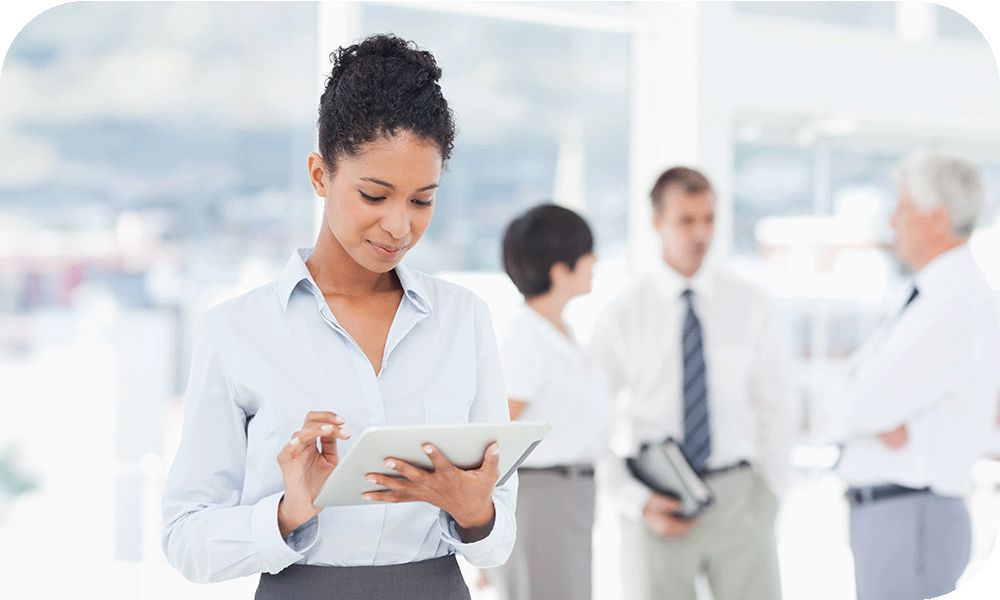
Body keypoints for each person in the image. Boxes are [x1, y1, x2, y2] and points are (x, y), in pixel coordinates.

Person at [160, 34, 516, 599]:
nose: (399, 227)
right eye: (375, 195)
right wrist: (286, 512)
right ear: (320, 175)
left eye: (422, 200)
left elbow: (498, 537)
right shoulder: (235, 332)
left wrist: (477, 514)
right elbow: (185, 538)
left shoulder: (464, 319)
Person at [590, 166, 794, 600]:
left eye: (709, 219)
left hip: (740, 501)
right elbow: (592, 420)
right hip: (657, 501)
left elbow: (776, 406)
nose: (700, 233)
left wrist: (771, 495)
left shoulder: (751, 305)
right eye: (686, 220)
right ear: (656, 224)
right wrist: (635, 500)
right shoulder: (622, 314)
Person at [821, 152, 1000, 600]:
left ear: (938, 217)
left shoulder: (953, 304)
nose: (892, 221)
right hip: (899, 514)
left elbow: (854, 407)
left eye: (902, 208)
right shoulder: (929, 295)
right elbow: (854, 398)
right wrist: (871, 415)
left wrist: (865, 414)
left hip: (910, 514)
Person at [485, 204, 612, 599]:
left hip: (569, 496)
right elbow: (496, 437)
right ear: (562, 270)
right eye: (588, 254)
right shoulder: (525, 338)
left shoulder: (559, 331)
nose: (596, 262)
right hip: (542, 499)